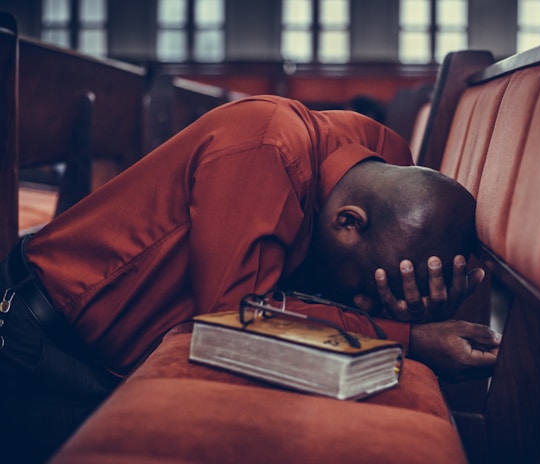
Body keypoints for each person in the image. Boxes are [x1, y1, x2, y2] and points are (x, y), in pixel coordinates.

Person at [0, 95, 499, 462]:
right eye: (366, 284)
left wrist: (408, 305)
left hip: (117, 359)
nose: (363, 297)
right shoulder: (267, 147)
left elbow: (344, 288)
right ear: (348, 222)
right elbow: (234, 324)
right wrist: (408, 338)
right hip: (40, 348)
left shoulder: (382, 154)